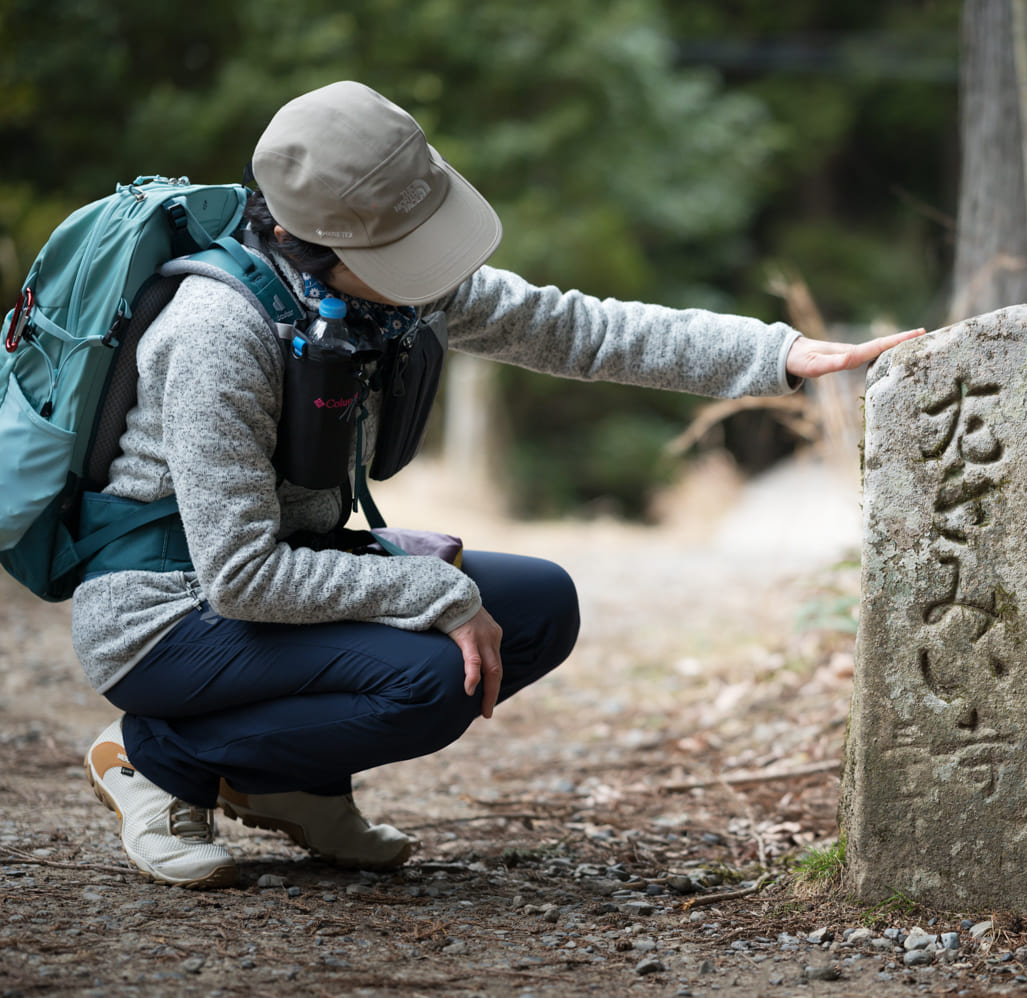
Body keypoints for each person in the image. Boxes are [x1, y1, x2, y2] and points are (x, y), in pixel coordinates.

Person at [78, 80, 922, 887]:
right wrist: (438, 595)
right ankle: (159, 760)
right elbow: (241, 575)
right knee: (434, 679)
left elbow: (580, 330)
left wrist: (775, 354)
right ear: (324, 245)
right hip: (169, 612)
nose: (433, 269)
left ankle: (289, 784)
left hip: (279, 583)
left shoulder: (390, 295)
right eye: (407, 253)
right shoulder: (218, 333)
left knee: (540, 606)